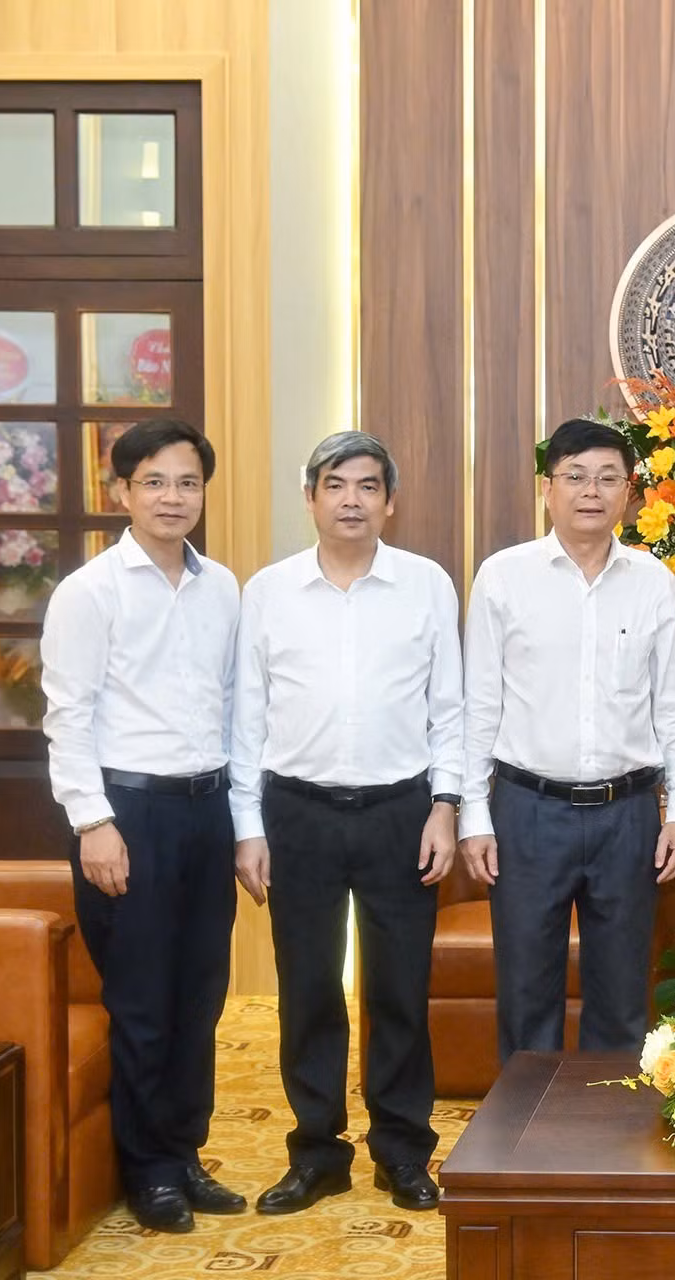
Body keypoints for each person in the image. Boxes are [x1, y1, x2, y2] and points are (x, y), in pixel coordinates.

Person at [230, 431, 464, 1214]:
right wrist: (247, 826)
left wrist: (445, 806)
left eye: (368, 486)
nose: (352, 500)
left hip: (402, 812)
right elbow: (246, 717)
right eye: (335, 485)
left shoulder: (425, 585)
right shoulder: (268, 591)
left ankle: (402, 1151)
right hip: (296, 813)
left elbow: (450, 708)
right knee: (308, 990)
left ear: (390, 501)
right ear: (310, 498)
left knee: (399, 990)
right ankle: (317, 1153)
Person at [40, 417, 245, 1232]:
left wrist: (241, 820)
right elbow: (67, 715)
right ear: (120, 491)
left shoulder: (222, 586)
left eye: (188, 482)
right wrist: (93, 822)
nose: (172, 497)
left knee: (200, 994)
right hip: (129, 814)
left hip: (207, 809)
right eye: (154, 481)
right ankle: (148, 1169)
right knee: (142, 998)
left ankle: (185, 1152)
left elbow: (231, 705)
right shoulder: (90, 591)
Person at [458, 418, 675, 1064]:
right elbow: (479, 704)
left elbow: (673, 704)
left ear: (628, 492)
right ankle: (526, 1126)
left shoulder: (651, 579)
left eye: (607, 478)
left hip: (628, 814)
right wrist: (473, 814)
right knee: (526, 995)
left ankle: (607, 1126)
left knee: (622, 1000)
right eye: (575, 476)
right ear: (548, 488)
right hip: (527, 812)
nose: (591, 491)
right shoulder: (504, 576)